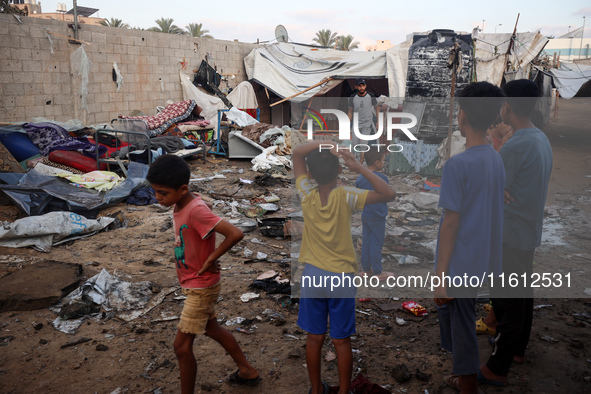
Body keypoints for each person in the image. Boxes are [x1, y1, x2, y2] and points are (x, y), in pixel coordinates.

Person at [146, 155, 260, 394]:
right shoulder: (184, 202)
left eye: (162, 193)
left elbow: (235, 233)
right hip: (196, 282)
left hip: (201, 286)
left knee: (181, 347)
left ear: (183, 189)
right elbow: (204, 203)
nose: (157, 198)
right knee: (212, 329)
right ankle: (247, 371)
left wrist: (211, 258)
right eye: (155, 191)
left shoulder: (194, 209)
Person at [294, 141, 396, 394]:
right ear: (340, 171)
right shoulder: (347, 195)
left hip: (313, 275)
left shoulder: (306, 192)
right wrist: (358, 165)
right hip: (341, 277)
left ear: (311, 174)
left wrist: (327, 144)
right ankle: (343, 392)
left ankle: (316, 389)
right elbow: (388, 194)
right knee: (341, 341)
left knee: (314, 337)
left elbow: (297, 152)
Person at [433, 81, 506, 394]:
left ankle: (467, 386)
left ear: (461, 116)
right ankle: (465, 378)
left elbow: (450, 224)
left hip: (460, 263)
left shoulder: (457, 165)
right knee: (461, 318)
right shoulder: (495, 158)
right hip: (483, 259)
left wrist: (440, 274)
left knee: (462, 326)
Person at [479, 79, 553, 386]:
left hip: (509, 233)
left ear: (507, 105)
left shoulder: (516, 145)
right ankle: (518, 350)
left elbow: (489, 189)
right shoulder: (540, 139)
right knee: (522, 293)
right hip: (527, 230)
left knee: (506, 300)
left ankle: (498, 366)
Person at [355, 145, 394, 281]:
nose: (384, 163)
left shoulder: (360, 178)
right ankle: (378, 272)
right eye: (383, 160)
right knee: (377, 244)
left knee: (366, 242)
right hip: (378, 216)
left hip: (366, 214)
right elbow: (388, 195)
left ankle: (365, 270)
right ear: (377, 163)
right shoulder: (382, 178)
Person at [348, 78, 381, 164]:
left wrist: (378, 121)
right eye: (359, 86)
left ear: (365, 86)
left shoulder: (371, 96)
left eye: (363, 85)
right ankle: (356, 162)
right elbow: (350, 111)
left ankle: (360, 165)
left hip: (367, 124)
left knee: (363, 145)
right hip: (356, 123)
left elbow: (377, 108)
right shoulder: (352, 97)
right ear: (356, 87)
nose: (361, 87)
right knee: (355, 144)